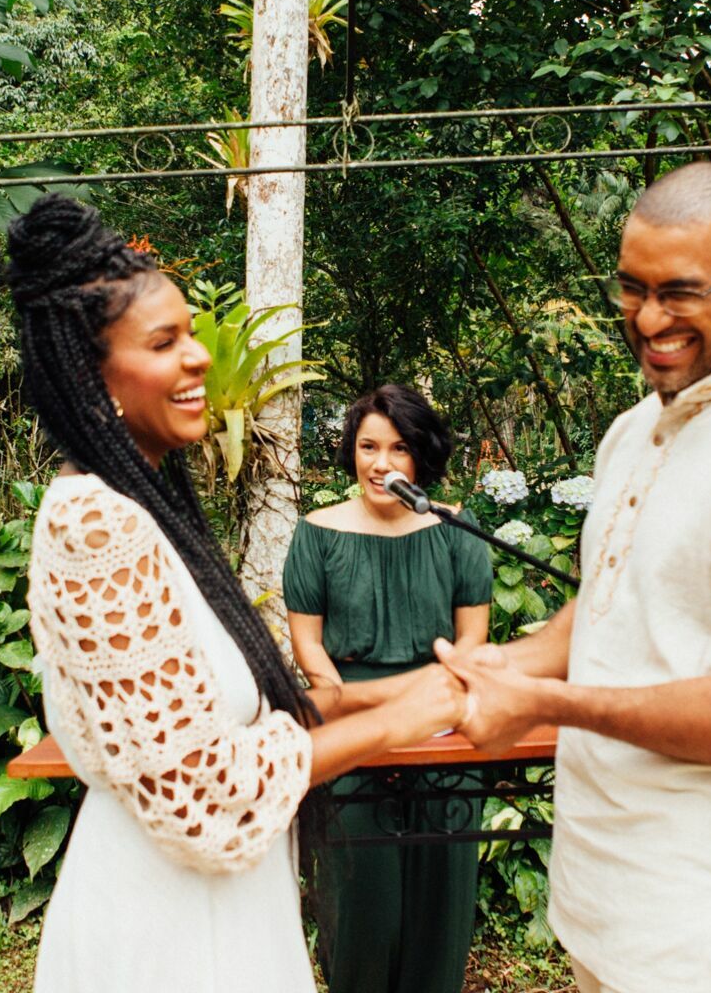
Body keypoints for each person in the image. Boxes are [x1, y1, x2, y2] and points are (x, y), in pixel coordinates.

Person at [434, 162, 711, 993]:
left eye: (678, 293)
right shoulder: (634, 429)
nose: (648, 320)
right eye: (632, 289)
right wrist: (510, 664)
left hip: (706, 922)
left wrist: (547, 704)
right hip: (604, 893)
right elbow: (616, 603)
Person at [7, 194, 469, 993]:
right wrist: (406, 718)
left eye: (191, 334)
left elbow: (253, 714)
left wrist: (425, 687)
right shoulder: (93, 524)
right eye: (165, 342)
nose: (197, 359)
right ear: (94, 376)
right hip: (165, 939)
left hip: (225, 915)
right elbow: (202, 790)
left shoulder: (145, 506)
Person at [284, 384, 494, 993]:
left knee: (440, 895)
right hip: (350, 726)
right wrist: (344, 703)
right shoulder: (317, 532)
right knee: (361, 896)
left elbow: (472, 638)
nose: (381, 463)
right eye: (368, 446)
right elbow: (308, 644)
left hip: (442, 717)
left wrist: (438, 705)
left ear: (419, 456)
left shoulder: (456, 530)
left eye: (398, 448)